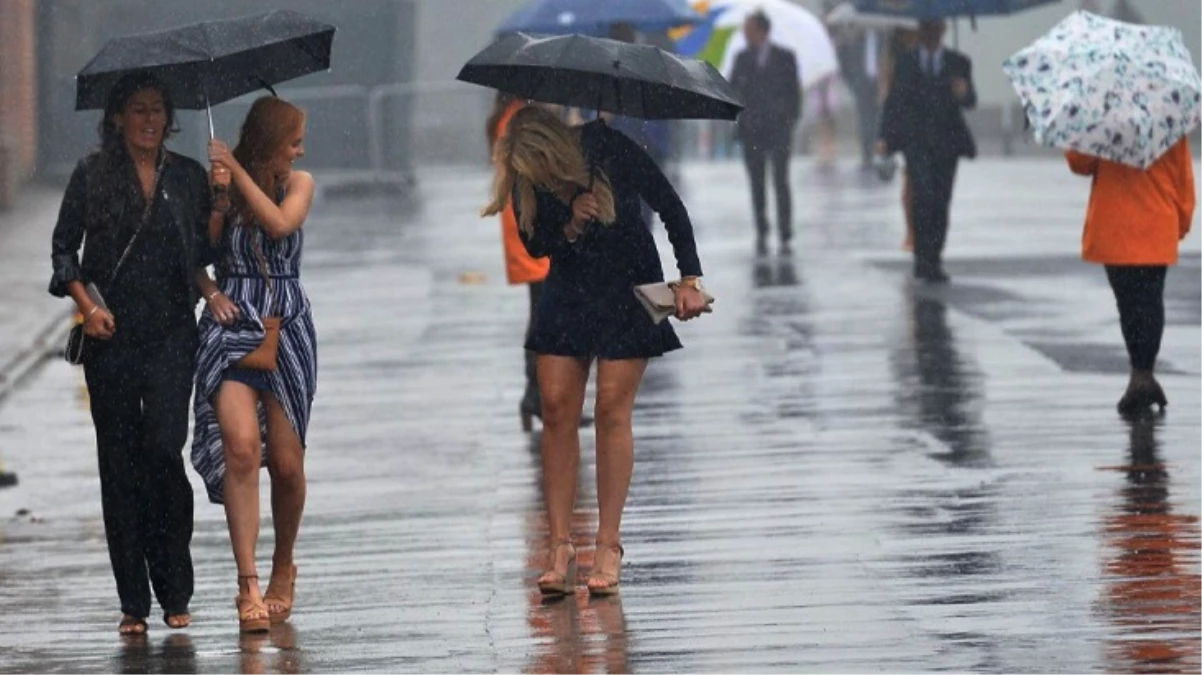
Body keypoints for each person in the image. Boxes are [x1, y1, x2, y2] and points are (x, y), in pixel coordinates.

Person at [482, 107, 708, 596]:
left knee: (611, 408)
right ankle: (560, 545)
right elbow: (535, 243)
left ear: (551, 151)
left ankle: (608, 545)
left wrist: (689, 279)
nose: (530, 179)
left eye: (536, 169)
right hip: (567, 290)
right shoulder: (526, 179)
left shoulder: (610, 148)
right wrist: (569, 222)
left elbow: (670, 205)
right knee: (557, 409)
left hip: (628, 286)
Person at [49, 72, 216, 635]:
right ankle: (133, 601)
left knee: (164, 452)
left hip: (172, 334)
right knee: (118, 464)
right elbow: (63, 250)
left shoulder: (189, 177)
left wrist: (220, 198)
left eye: (158, 111)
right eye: (138, 110)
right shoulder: (92, 175)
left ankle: (175, 586)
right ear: (117, 117)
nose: (150, 121)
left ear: (170, 119)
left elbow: (204, 253)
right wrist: (86, 307)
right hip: (110, 335)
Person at [192, 96, 318, 633]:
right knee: (242, 448)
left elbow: (280, 226)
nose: (300, 149)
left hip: (286, 323)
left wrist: (238, 171)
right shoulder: (222, 184)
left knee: (287, 464)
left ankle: (282, 565)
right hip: (233, 322)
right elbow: (197, 251)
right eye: (293, 140)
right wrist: (209, 287)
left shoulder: (299, 183)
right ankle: (246, 584)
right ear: (271, 138)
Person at [1066, 139, 1194, 416]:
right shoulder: (1167, 122)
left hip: (1115, 225)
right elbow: (1182, 178)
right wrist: (1180, 223)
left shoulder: (1101, 122)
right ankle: (1143, 372)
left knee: (1128, 304)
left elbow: (1080, 164)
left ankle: (1140, 373)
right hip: (1156, 222)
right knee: (1149, 301)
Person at [877, 19, 976, 283]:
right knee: (922, 198)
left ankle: (935, 256)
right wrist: (885, 137)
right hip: (917, 143)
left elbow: (970, 101)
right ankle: (922, 258)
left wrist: (962, 92)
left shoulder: (958, 63)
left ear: (942, 31)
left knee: (941, 202)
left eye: (934, 30)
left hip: (947, 144)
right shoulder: (906, 62)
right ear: (920, 32)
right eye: (925, 30)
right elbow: (894, 101)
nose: (929, 34)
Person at [487, 92, 553, 430]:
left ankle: (536, 393)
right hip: (533, 224)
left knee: (543, 311)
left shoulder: (512, 115)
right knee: (545, 314)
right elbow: (540, 168)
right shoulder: (521, 119)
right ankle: (537, 394)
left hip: (525, 223)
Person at [730, 11, 802, 256]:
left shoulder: (785, 57)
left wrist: (789, 119)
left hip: (779, 128)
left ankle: (785, 226)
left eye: (748, 29)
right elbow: (733, 91)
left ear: (761, 30)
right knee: (757, 182)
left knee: (781, 180)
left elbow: (794, 93)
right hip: (752, 131)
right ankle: (762, 227)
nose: (745, 34)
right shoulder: (742, 58)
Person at [879, 27, 920, 251]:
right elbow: (891, 101)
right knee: (911, 180)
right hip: (909, 128)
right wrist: (884, 136)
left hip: (932, 127)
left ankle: (923, 231)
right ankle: (912, 232)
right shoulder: (897, 61)